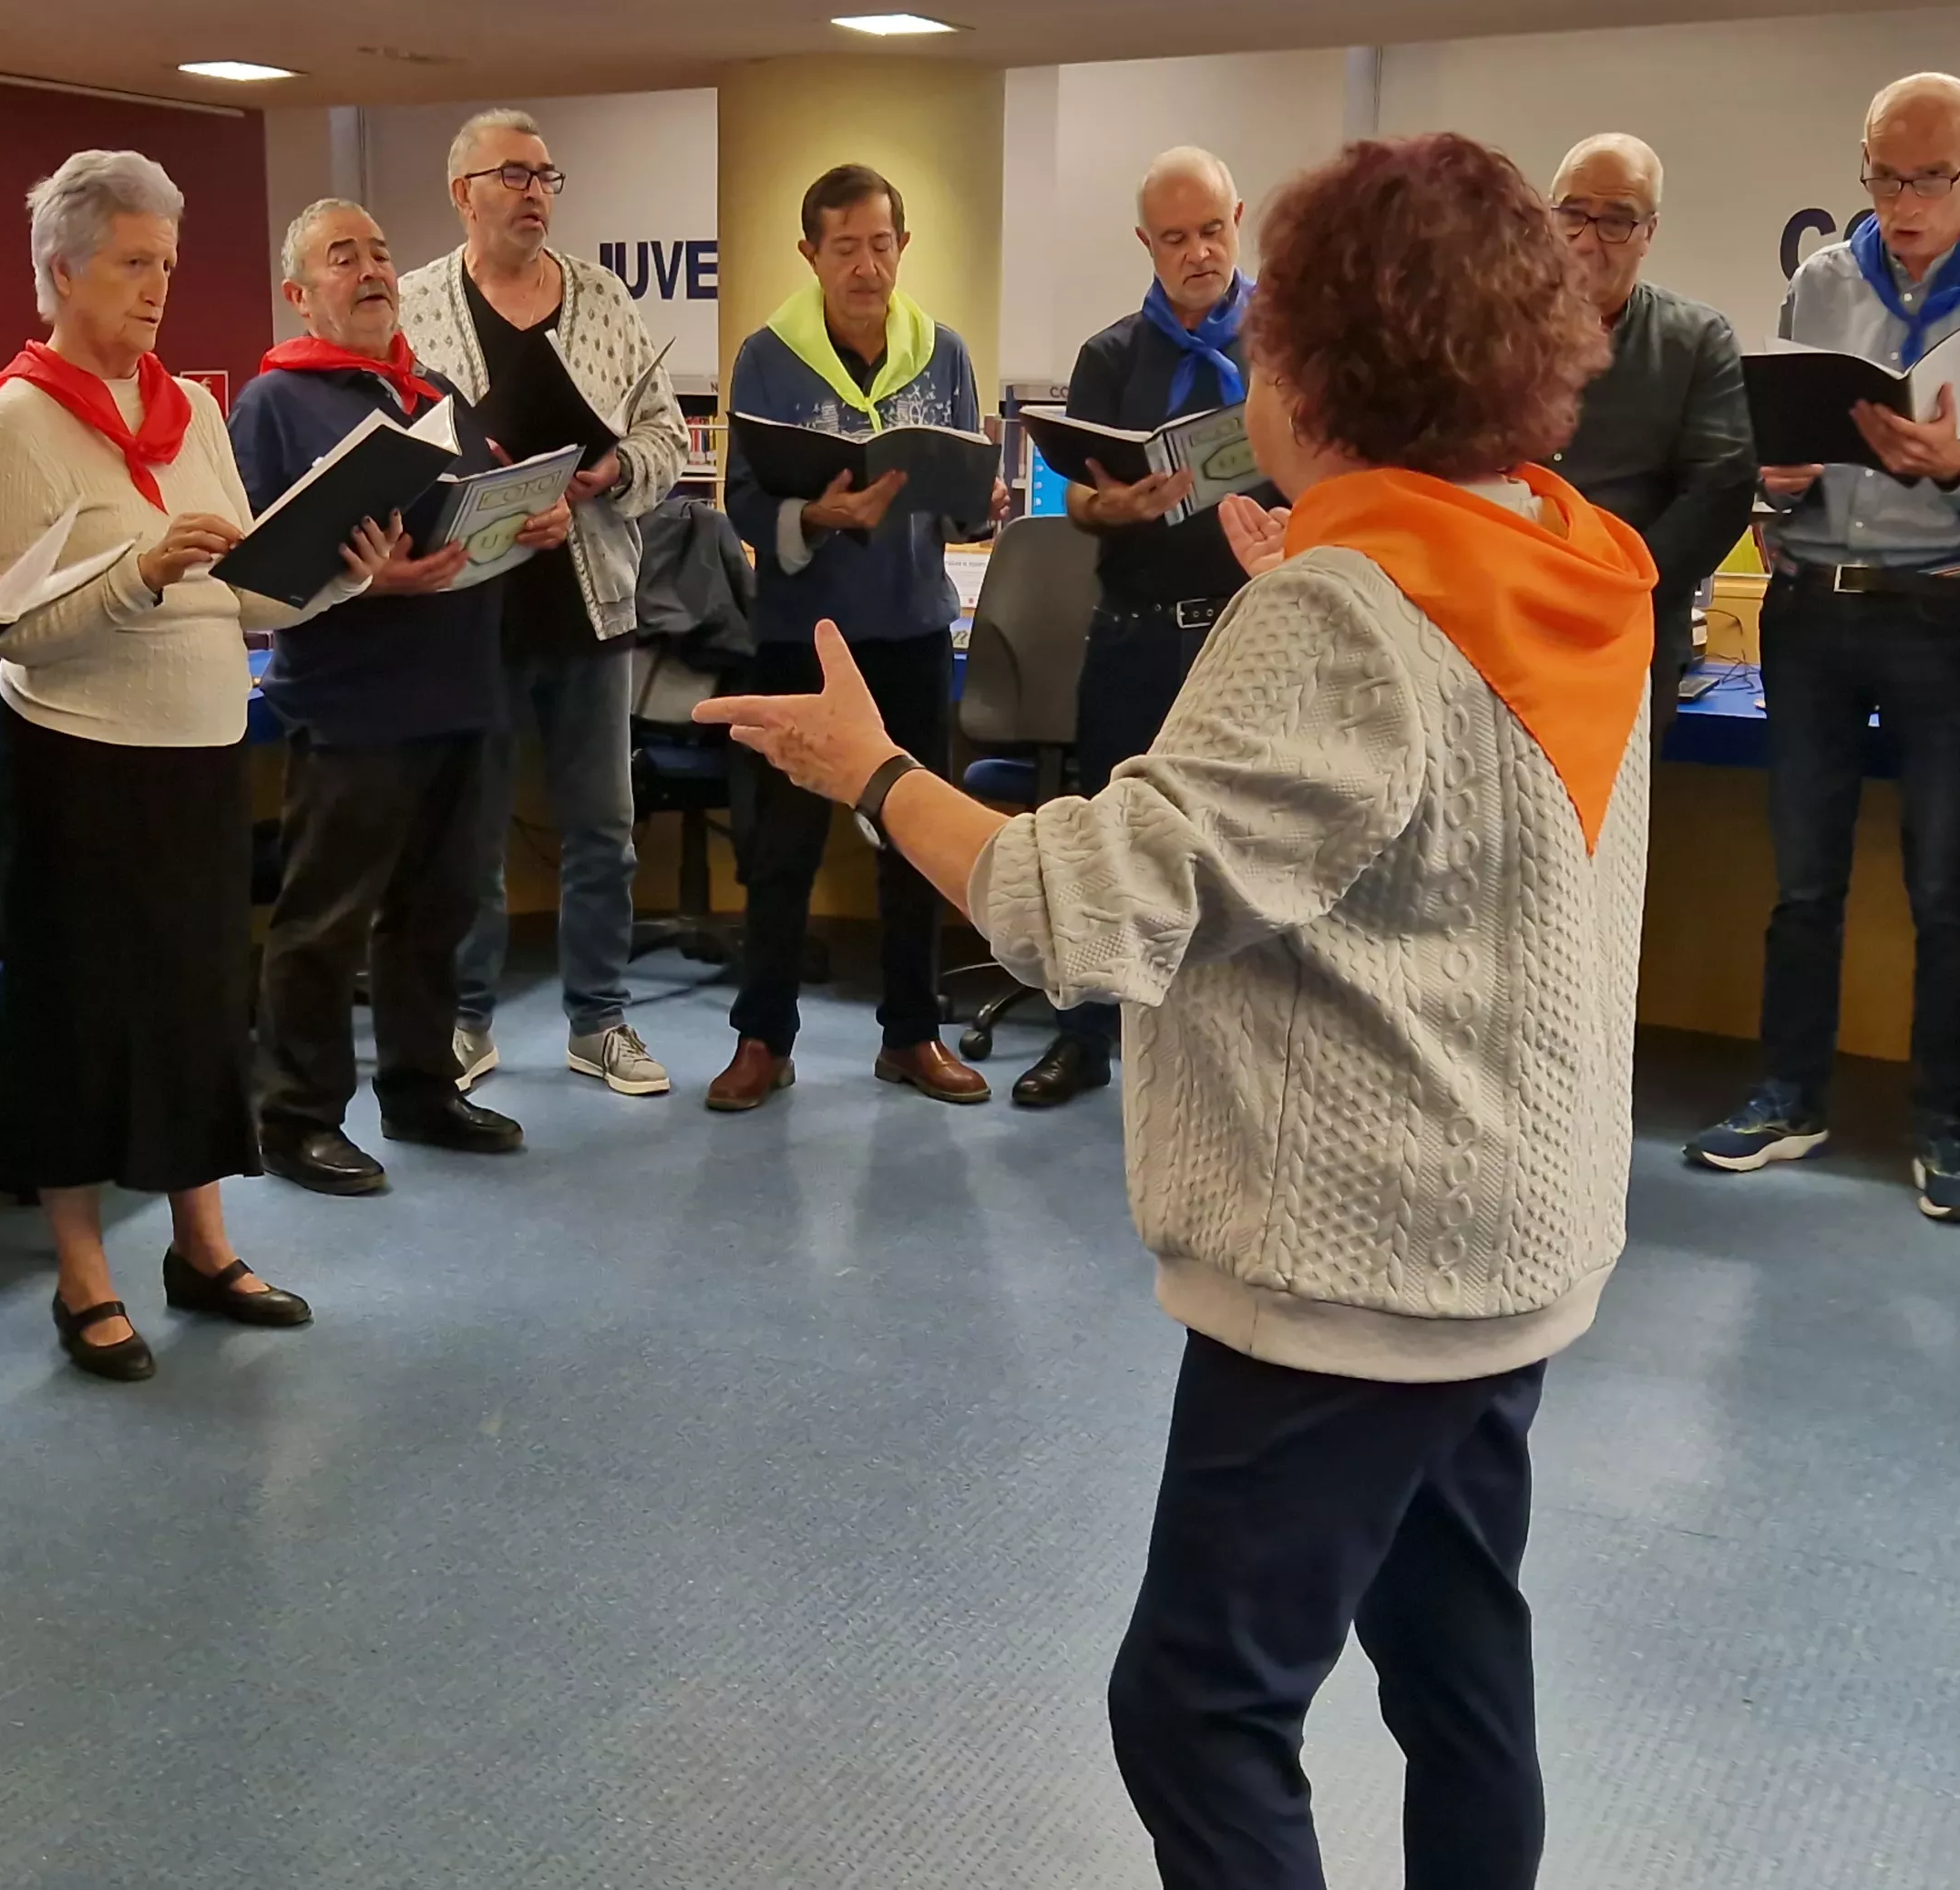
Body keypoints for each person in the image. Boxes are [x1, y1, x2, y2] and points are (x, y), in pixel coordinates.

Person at [703, 133, 1653, 1890]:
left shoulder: (1339, 620)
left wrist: (875, 771)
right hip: (1515, 1233)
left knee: (1196, 1705)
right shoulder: (1575, 553)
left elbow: (1082, 907)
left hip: (1356, 1271)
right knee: (1460, 1675)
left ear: (1313, 366)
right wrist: (1331, 546)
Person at [0, 150, 397, 1381]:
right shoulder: (17, 421)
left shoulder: (193, 409)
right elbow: (9, 631)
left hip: (206, 755)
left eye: (167, 264)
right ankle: (82, 1277)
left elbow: (244, 594)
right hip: (83, 764)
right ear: (63, 270)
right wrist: (141, 570)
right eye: (131, 264)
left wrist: (335, 570)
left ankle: (202, 1246)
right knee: (84, 1020)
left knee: (204, 1010)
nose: (156, 289)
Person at [1685, 72, 1960, 1223]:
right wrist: (1771, 478)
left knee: (1945, 887)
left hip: (1941, 610)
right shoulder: (1824, 275)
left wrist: (1954, 469)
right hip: (1811, 603)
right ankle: (1785, 1093)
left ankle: (1945, 1124)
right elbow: (1778, 428)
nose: (1901, 202)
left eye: (1927, 178)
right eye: (1881, 176)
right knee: (1802, 881)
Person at [236, 199, 550, 1196]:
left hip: (462, 686)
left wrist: (520, 521)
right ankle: (296, 1116)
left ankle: (421, 1089)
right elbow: (255, 568)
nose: (371, 269)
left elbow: (460, 520)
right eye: (342, 257)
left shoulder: (435, 390)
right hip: (352, 700)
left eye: (378, 251)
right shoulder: (271, 405)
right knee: (324, 921)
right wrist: (366, 581)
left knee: (437, 910)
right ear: (299, 294)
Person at [398, 109, 692, 1098]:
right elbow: (391, 455)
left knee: (601, 826)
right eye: (512, 174)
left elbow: (670, 440)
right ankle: (467, 1018)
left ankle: (598, 1019)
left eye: (547, 176)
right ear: (461, 192)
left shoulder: (603, 299)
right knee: (470, 829)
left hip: (588, 599)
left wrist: (606, 473)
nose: (534, 192)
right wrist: (480, 498)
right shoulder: (412, 308)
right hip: (466, 609)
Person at [708, 163, 1001, 1112]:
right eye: (845, 248)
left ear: (902, 247)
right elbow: (743, 500)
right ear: (811, 255)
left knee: (911, 841)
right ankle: (763, 1039)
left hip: (912, 628)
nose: (866, 267)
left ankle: (912, 1035)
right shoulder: (766, 356)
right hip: (803, 634)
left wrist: (981, 503)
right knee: (782, 846)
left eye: (881, 245)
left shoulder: (942, 352)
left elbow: (958, 500)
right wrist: (818, 514)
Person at [1014, 148, 1257, 1111]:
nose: (1197, 252)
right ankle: (1084, 1036)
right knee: (1105, 837)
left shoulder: (1287, 345)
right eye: (1174, 237)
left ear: (1238, 219)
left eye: (1212, 230)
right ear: (1144, 243)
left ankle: (1225, 1050)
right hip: (1135, 631)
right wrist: (1110, 507)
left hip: (1248, 631)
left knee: (1236, 848)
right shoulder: (1111, 355)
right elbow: (1080, 489)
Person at [1546, 133, 1758, 729]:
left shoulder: (1696, 342)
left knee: (1622, 819)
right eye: (1573, 215)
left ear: (1649, 233)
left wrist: (1618, 588)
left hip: (1631, 635)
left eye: (1617, 221)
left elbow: (1720, 491)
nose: (1588, 241)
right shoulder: (1489, 332)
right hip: (1495, 625)